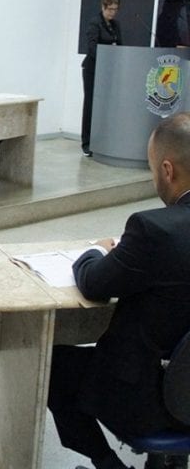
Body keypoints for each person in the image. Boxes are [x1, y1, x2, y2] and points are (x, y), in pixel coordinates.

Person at [48, 112, 190, 469]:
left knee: (52, 367)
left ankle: (107, 464)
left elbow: (94, 284)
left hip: (147, 399)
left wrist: (96, 251)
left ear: (168, 171)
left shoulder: (153, 230)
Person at [81, 0, 122, 157]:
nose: (113, 12)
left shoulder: (116, 25)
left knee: (106, 107)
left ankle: (103, 140)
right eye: (110, 9)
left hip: (108, 71)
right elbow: (92, 48)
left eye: (115, 9)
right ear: (103, 7)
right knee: (91, 105)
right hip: (93, 69)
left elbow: (120, 45)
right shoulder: (95, 23)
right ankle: (87, 142)